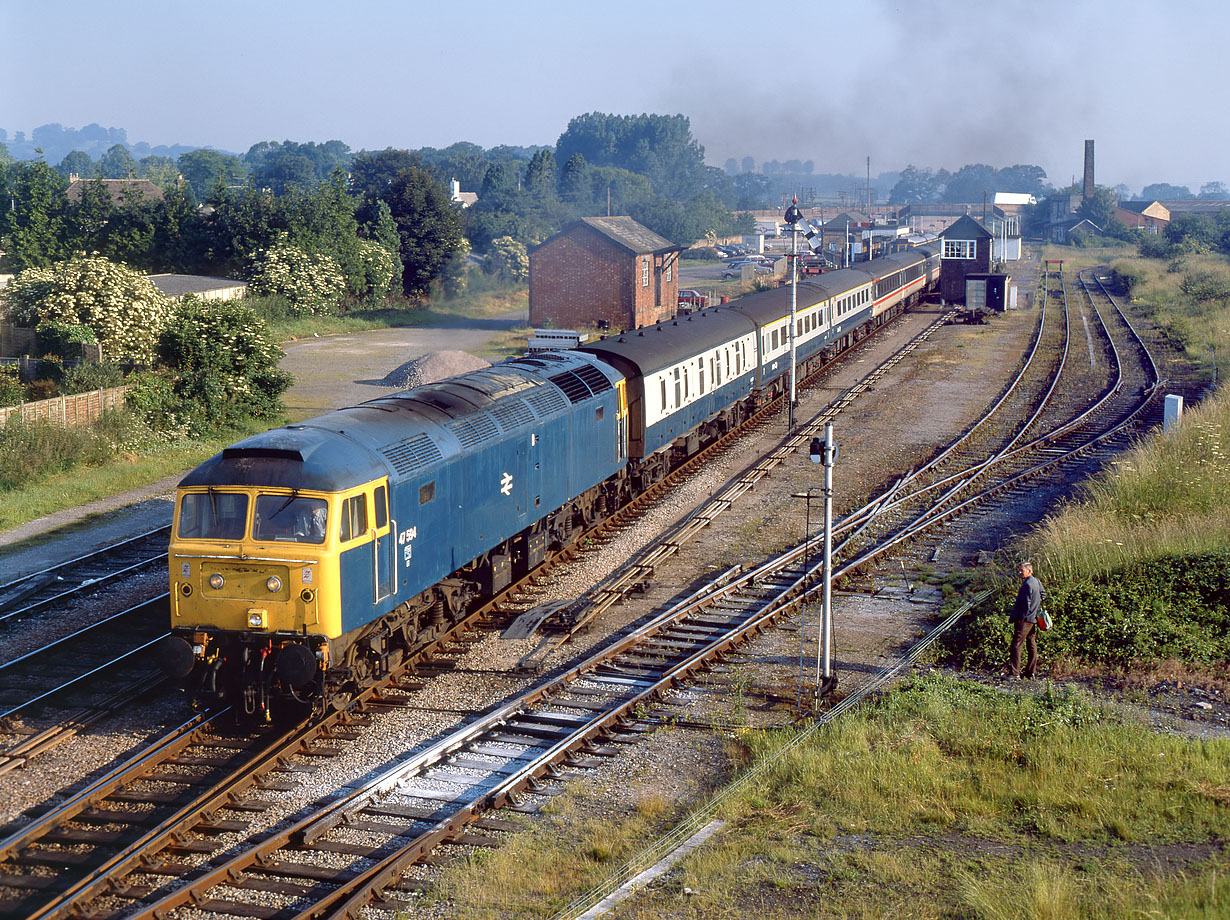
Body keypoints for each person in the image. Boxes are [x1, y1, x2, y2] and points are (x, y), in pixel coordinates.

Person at [1006, 562, 1045, 679]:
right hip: (1033, 618)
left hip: (1025, 620)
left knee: (1016, 645)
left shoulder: (1027, 584)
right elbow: (1043, 595)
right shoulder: (1037, 581)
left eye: (1021, 570)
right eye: (1019, 570)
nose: (1019, 572)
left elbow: (1026, 605)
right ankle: (1030, 672)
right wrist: (1035, 607)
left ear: (1029, 571)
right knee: (1031, 644)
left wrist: (1021, 619)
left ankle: (1014, 673)